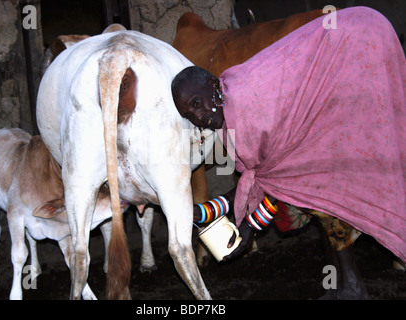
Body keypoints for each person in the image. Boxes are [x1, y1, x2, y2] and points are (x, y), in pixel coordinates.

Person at [172, 7, 406, 264]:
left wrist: (251, 227)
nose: (198, 117)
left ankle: (352, 284)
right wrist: (203, 212)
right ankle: (349, 284)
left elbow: (280, 180)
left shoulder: (245, 106)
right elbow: (265, 179)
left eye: (196, 103)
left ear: (214, 86)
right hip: (361, 29)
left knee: (322, 195)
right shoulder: (229, 103)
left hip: (361, 38)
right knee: (321, 195)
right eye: (189, 115)